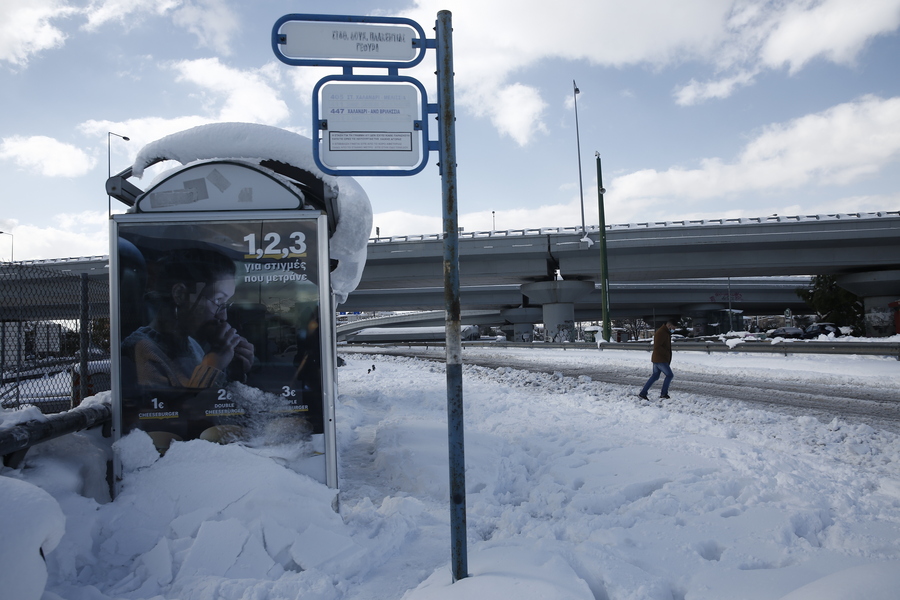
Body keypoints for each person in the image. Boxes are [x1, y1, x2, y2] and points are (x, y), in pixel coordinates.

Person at [122, 248, 254, 390]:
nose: (223, 316)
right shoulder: (142, 349)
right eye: (218, 302)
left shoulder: (192, 345)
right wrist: (212, 365)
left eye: (225, 305)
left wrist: (233, 369)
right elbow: (187, 409)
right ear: (180, 294)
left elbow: (217, 402)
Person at [638, 320, 677, 400]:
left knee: (655, 376)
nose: (674, 330)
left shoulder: (664, 332)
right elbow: (657, 346)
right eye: (673, 328)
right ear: (669, 325)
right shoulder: (662, 333)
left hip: (658, 358)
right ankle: (664, 393)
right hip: (660, 359)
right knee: (669, 375)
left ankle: (643, 393)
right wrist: (666, 353)